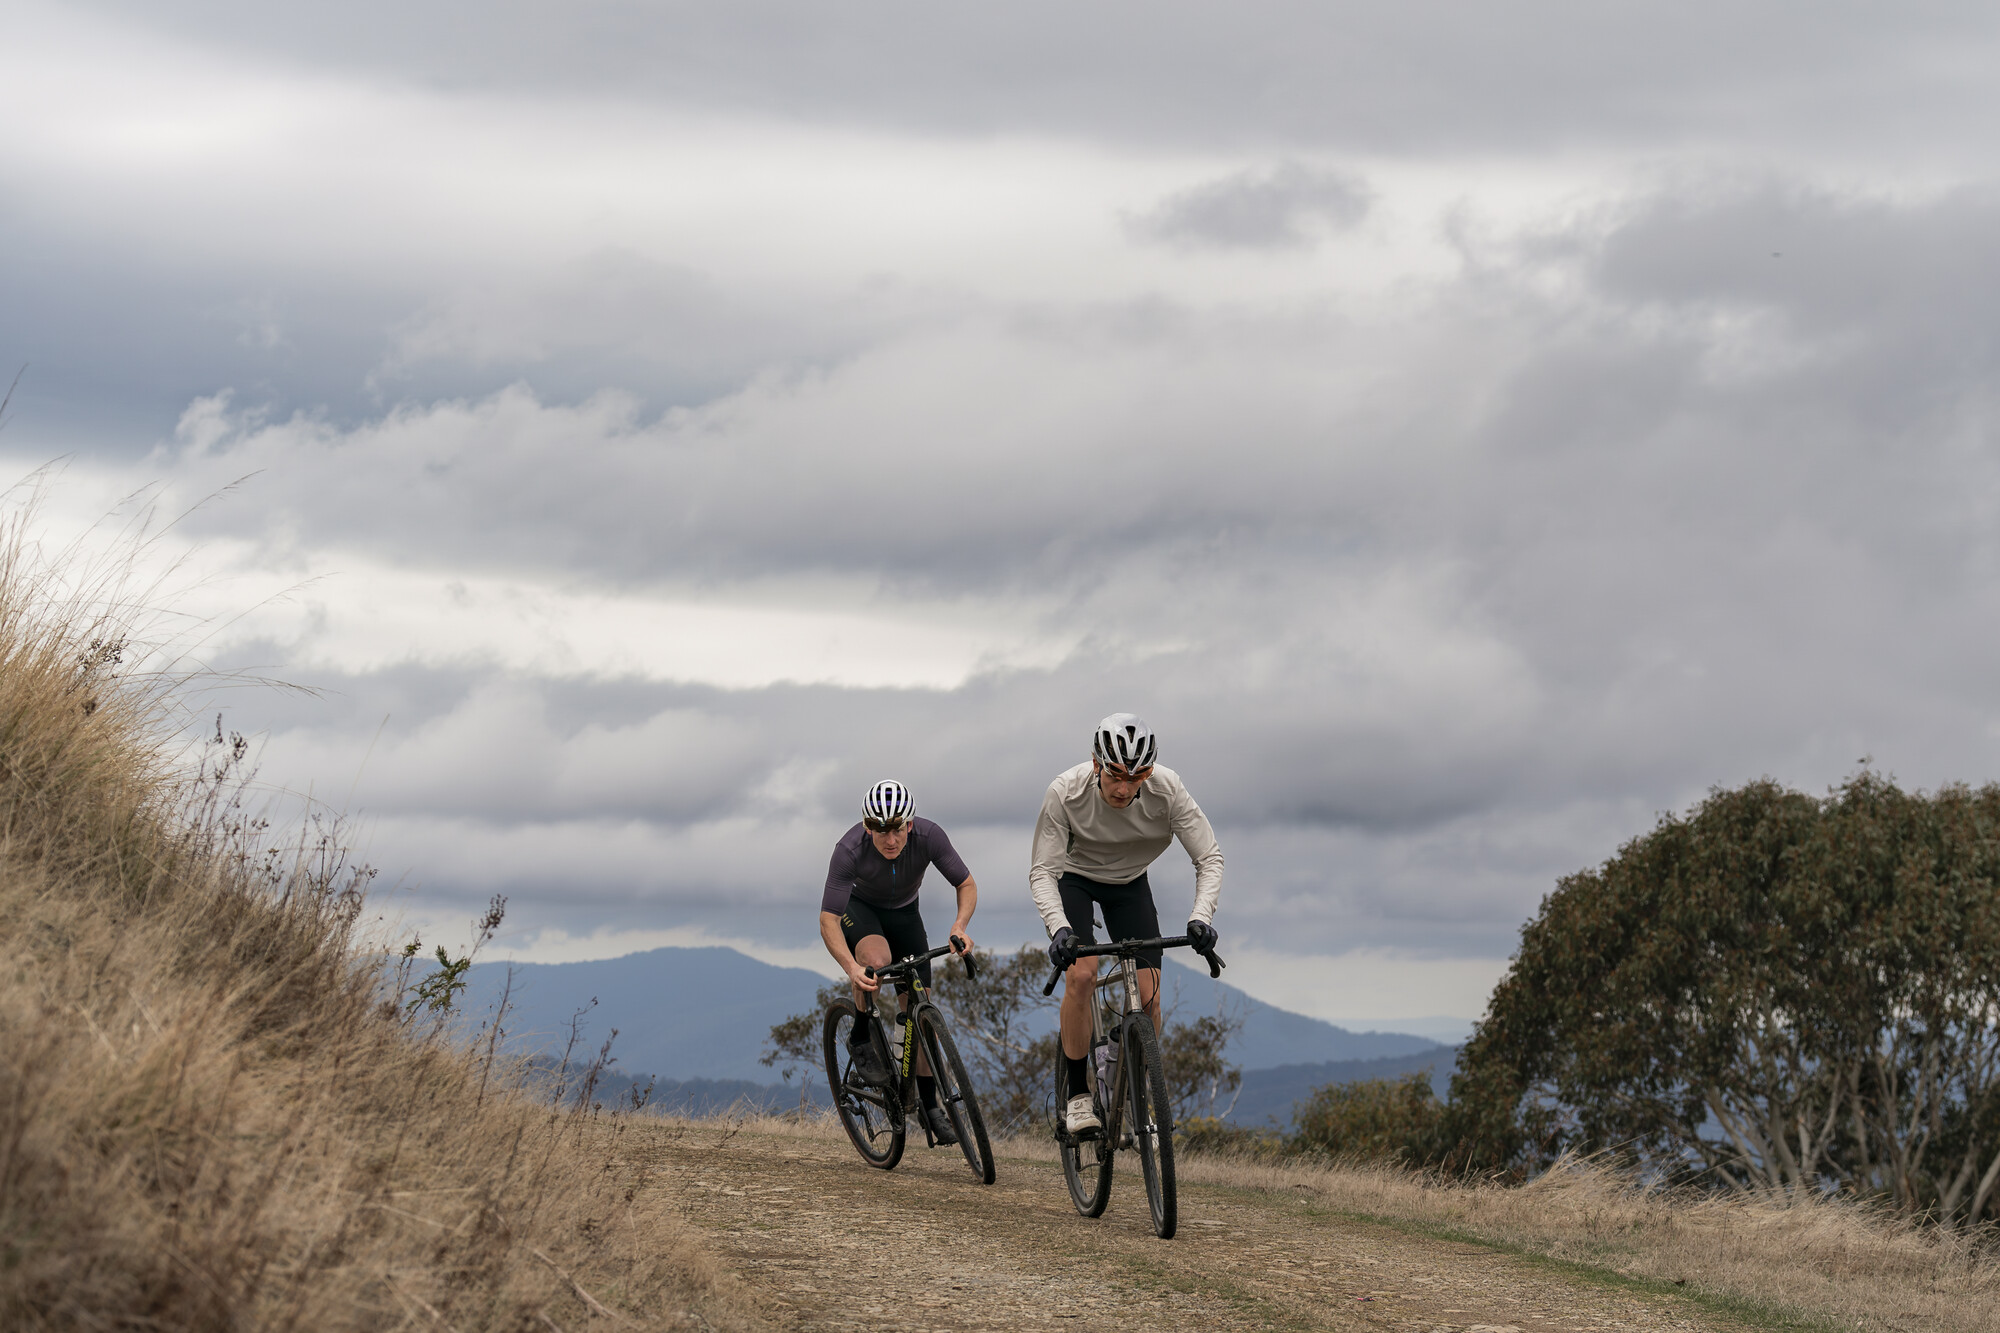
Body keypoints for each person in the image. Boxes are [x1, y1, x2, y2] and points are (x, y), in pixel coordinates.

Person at [1030, 713, 1222, 1135]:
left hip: (1130, 883)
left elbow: (1209, 858)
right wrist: (1059, 928)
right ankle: (1078, 1097)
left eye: (1136, 777)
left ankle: (1129, 1086)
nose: (1123, 788)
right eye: (1115, 774)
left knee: (1149, 996)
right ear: (1096, 763)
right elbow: (1043, 871)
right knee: (1082, 975)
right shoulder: (1065, 792)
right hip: (1074, 878)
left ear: (1149, 773)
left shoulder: (1168, 790)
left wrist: (1200, 917)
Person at [819, 778, 978, 1145]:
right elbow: (828, 919)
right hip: (862, 910)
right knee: (876, 960)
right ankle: (861, 1030)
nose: (890, 840)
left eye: (897, 829)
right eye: (879, 830)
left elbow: (966, 884)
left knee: (918, 1007)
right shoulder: (848, 850)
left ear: (910, 823)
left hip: (906, 914)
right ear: (866, 826)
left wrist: (959, 925)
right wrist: (852, 969)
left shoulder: (929, 836)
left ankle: (929, 1105)